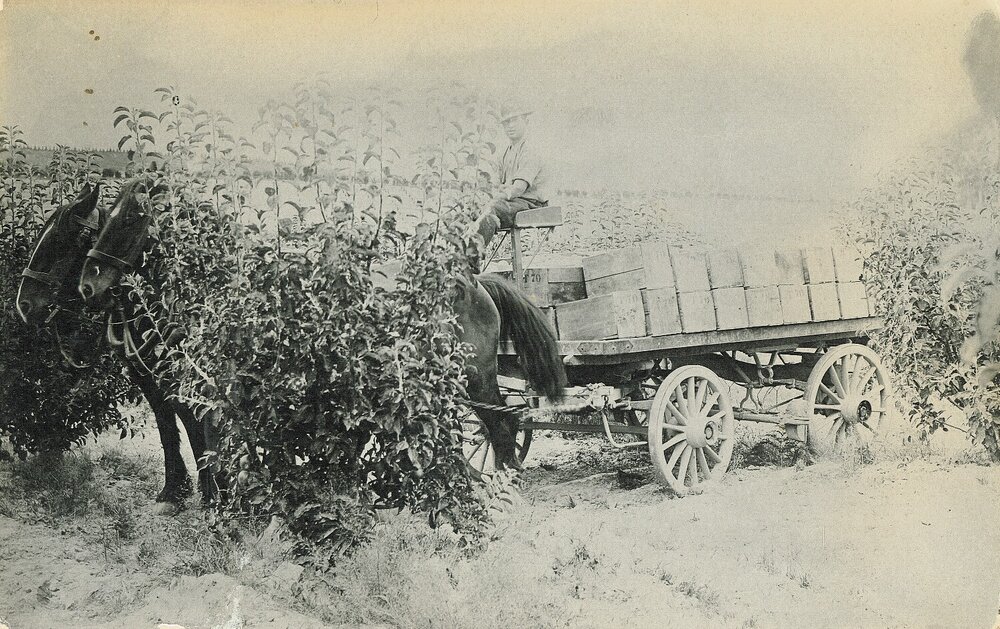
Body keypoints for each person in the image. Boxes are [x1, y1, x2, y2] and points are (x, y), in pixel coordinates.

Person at [471, 101, 550, 251]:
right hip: (513, 202)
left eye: (515, 120)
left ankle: (472, 259)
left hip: (531, 203)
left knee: (492, 209)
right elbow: (495, 185)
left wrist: (497, 196)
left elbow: (518, 189)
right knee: (471, 210)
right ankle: (457, 258)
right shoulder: (505, 153)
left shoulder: (531, 150)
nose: (510, 126)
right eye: (506, 122)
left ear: (526, 121)